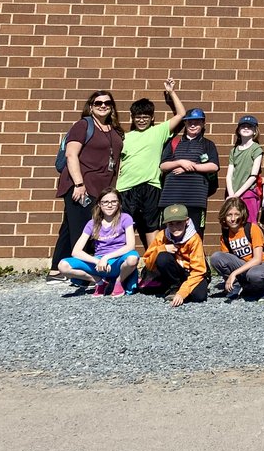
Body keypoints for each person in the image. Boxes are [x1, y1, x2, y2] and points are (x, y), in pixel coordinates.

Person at [49, 90, 125, 283]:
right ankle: (80, 275)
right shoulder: (83, 125)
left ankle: (57, 270)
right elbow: (71, 155)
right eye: (98, 103)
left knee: (70, 226)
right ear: (90, 106)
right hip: (82, 186)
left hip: (100, 189)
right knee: (84, 229)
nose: (103, 106)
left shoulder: (114, 130)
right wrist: (79, 184)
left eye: (107, 103)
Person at [117, 78, 185, 249]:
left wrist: (171, 93)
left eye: (145, 117)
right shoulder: (124, 137)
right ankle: (124, 267)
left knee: (151, 227)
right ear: (132, 117)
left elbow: (181, 115)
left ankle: (153, 266)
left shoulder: (158, 131)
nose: (141, 120)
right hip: (126, 188)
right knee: (124, 228)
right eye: (138, 117)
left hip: (151, 186)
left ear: (152, 117)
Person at [56, 188, 139, 296]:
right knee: (63, 265)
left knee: (132, 258)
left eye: (114, 202)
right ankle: (99, 281)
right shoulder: (92, 223)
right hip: (99, 264)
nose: (110, 205)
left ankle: (119, 281)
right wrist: (97, 261)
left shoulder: (125, 218)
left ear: (119, 203)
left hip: (118, 261)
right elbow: (76, 251)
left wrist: (106, 258)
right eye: (105, 202)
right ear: (99, 204)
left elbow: (131, 246)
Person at [157, 107, 220, 240]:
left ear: (203, 124)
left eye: (197, 122)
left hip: (195, 198)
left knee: (195, 235)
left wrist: (190, 167)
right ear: (184, 123)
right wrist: (180, 162)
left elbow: (213, 166)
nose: (193, 125)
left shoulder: (208, 144)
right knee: (168, 235)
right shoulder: (174, 142)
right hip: (171, 197)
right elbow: (163, 165)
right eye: (189, 122)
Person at [140, 203, 208, 306]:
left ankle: (180, 289)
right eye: (171, 224)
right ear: (166, 224)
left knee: (199, 296)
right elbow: (148, 263)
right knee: (162, 257)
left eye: (179, 223)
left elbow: (198, 271)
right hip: (174, 272)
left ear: (187, 221)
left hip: (190, 273)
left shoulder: (194, 239)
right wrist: (162, 249)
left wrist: (182, 293)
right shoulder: (162, 235)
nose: (175, 227)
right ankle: (174, 286)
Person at [210, 198, 264, 301]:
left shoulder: (252, 228)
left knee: (254, 275)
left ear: (242, 214)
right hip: (243, 265)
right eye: (229, 215)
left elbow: (257, 259)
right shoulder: (225, 236)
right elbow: (227, 260)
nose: (233, 219)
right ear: (224, 217)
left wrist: (234, 273)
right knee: (216, 257)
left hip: (261, 265)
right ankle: (237, 285)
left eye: (236, 214)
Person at [225, 115, 264, 227]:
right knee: (233, 224)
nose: (246, 128)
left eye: (249, 126)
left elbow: (253, 175)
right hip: (233, 194)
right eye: (243, 126)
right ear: (238, 130)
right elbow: (229, 175)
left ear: (255, 131)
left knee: (250, 224)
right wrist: (232, 194)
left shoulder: (256, 149)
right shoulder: (234, 150)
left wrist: (237, 194)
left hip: (248, 193)